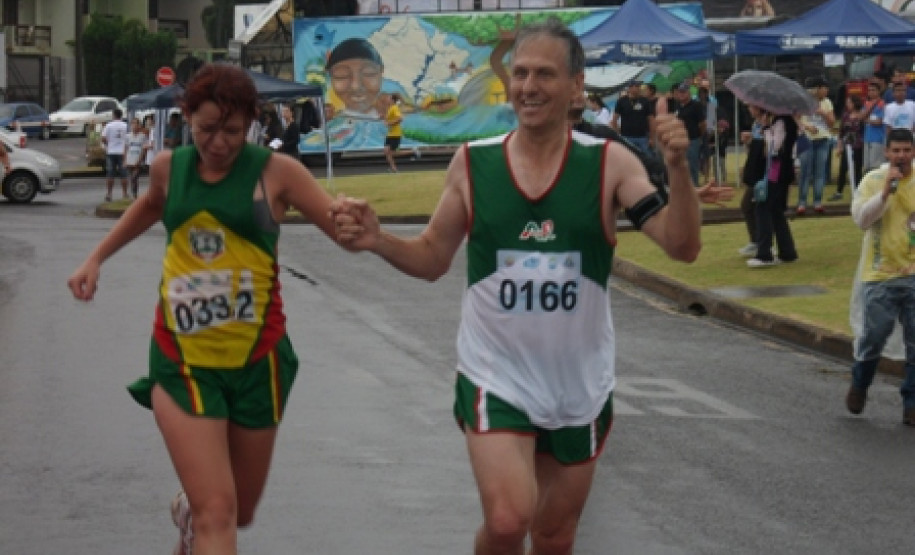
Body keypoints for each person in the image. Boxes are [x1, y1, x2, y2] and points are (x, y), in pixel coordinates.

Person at [330, 18, 700, 554]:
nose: (528, 86)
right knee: (507, 521)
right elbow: (434, 257)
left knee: (553, 536)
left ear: (577, 85)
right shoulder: (473, 163)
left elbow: (682, 245)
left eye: (545, 74)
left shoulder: (608, 165)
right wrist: (378, 239)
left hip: (578, 386)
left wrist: (678, 169)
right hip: (495, 376)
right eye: (521, 72)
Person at [66, 63, 346, 555]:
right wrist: (96, 257)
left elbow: (342, 228)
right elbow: (149, 206)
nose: (219, 143)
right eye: (206, 129)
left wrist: (361, 222)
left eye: (233, 131)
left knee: (239, 509)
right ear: (187, 116)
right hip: (182, 362)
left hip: (258, 361)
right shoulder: (168, 168)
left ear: (252, 122)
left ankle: (189, 513)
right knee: (219, 511)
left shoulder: (277, 173)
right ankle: (201, 513)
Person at [845, 128, 915, 426]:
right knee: (874, 336)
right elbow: (861, 219)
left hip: (912, 274)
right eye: (895, 151)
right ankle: (860, 383)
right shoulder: (873, 180)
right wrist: (886, 192)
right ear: (886, 152)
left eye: (906, 150)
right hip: (879, 275)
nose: (901, 156)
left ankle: (911, 403)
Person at [747, 109, 799, 268]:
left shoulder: (780, 122)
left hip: (776, 169)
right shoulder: (786, 121)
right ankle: (787, 251)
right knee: (776, 211)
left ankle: (764, 254)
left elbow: (774, 146)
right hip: (782, 170)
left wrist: (766, 129)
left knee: (763, 207)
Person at [797, 76, 835, 215]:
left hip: (823, 139)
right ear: (817, 89)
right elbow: (796, 118)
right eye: (824, 88)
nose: (826, 91)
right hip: (807, 139)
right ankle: (802, 202)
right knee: (805, 173)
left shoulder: (827, 102)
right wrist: (807, 126)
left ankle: (817, 201)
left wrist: (823, 113)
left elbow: (832, 123)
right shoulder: (803, 101)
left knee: (820, 173)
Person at [325, 37, 384, 118]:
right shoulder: (335, 123)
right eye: (342, 75)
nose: (355, 86)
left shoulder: (388, 120)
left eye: (368, 73)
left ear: (381, 72)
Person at [737, 104, 767, 258]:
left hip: (763, 173)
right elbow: (754, 151)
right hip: (755, 171)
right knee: (750, 206)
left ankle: (762, 243)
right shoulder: (756, 125)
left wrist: (756, 140)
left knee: (752, 206)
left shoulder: (767, 124)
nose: (749, 109)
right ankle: (756, 241)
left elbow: (766, 150)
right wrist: (749, 142)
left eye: (751, 107)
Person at [672, 82, 706, 187]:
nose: (682, 94)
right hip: (679, 140)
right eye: (680, 92)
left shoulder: (696, 105)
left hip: (692, 139)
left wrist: (700, 136)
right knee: (680, 165)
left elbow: (702, 124)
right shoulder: (677, 105)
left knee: (692, 165)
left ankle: (694, 187)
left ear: (689, 93)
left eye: (684, 92)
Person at [833, 94, 865, 201]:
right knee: (843, 168)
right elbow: (841, 132)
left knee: (857, 169)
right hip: (847, 146)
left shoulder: (862, 116)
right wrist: (839, 146)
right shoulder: (845, 115)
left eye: (849, 102)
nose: (848, 104)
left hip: (858, 145)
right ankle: (839, 191)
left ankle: (858, 191)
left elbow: (863, 131)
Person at [611, 79, 653, 154]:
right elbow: (614, 119)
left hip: (642, 137)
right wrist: (619, 135)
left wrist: (651, 137)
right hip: (627, 137)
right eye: (636, 86)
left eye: (639, 86)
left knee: (647, 158)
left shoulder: (645, 101)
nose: (638, 88)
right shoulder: (622, 101)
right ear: (630, 87)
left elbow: (650, 119)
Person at [101, 108, 129, 202]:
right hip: (122, 151)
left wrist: (108, 143)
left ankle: (109, 193)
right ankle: (125, 194)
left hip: (111, 151)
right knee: (123, 174)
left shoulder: (109, 125)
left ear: (114, 115)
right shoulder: (125, 125)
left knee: (110, 174)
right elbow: (128, 138)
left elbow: (103, 138)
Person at [861, 81, 886, 175]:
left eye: (874, 90)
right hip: (867, 138)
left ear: (879, 91)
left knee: (876, 167)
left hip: (877, 139)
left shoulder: (882, 104)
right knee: (867, 166)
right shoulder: (866, 104)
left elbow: (880, 121)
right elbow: (861, 117)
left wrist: (867, 120)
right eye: (869, 90)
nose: (871, 92)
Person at [124, 117, 146, 199]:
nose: (134, 126)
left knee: (134, 176)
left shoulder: (142, 136)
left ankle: (135, 193)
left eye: (136, 124)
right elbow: (126, 148)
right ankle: (134, 193)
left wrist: (140, 160)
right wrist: (125, 160)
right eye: (132, 124)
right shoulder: (128, 136)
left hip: (137, 159)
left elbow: (143, 150)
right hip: (130, 159)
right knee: (131, 178)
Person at [382, 93, 403, 173]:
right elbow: (390, 119)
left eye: (389, 98)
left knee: (392, 152)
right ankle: (393, 168)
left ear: (393, 100)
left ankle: (413, 151)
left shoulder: (395, 108)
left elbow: (400, 119)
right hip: (390, 134)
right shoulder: (390, 108)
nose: (388, 99)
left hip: (395, 134)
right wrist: (383, 117)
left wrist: (389, 123)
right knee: (386, 151)